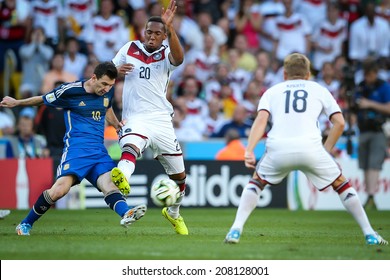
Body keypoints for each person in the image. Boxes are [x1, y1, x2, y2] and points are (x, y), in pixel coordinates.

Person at [224, 53, 388, 246]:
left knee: (256, 183)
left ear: (284, 74)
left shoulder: (272, 91)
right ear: (308, 74)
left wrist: (249, 149)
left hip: (278, 148)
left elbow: (261, 121)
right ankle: (369, 233)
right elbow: (340, 123)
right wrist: (325, 150)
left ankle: (235, 229)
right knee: (342, 185)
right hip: (311, 147)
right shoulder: (319, 89)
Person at [0, 62, 146, 236]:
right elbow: (42, 99)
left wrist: (117, 125)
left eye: (110, 85)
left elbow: (106, 108)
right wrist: (17, 102)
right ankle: (25, 224)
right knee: (59, 190)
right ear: (94, 78)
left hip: (98, 152)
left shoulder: (107, 92)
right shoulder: (70, 91)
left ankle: (126, 213)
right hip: (76, 151)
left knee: (110, 185)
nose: (107, 89)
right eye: (104, 84)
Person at [111, 0, 188, 235]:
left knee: (180, 179)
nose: (152, 37)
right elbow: (104, 72)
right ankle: (122, 175)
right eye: (149, 32)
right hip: (136, 116)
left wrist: (171, 28)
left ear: (164, 36)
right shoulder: (130, 48)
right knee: (132, 143)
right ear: (143, 32)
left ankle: (173, 213)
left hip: (161, 119)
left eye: (157, 33)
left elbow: (180, 59)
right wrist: (115, 71)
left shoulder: (167, 52)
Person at [352, 58, 390, 210]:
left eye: (370, 74)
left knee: (374, 164)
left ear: (375, 73)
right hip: (363, 130)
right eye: (366, 74)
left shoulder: (384, 87)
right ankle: (369, 196)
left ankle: (371, 196)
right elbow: (354, 106)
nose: (368, 77)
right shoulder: (361, 87)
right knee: (365, 164)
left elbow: (388, 108)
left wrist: (369, 104)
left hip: (378, 131)